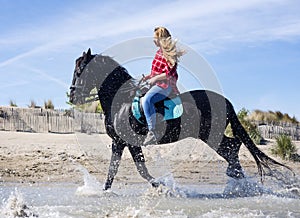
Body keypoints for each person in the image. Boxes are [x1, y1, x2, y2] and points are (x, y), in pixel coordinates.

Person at [142, 27, 185, 146]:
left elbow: (169, 74)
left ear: (161, 39)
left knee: (147, 100)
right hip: (157, 84)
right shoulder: (158, 53)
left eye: (155, 38)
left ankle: (152, 132)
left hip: (165, 86)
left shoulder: (169, 54)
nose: (153, 40)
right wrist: (147, 77)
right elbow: (155, 72)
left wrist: (155, 78)